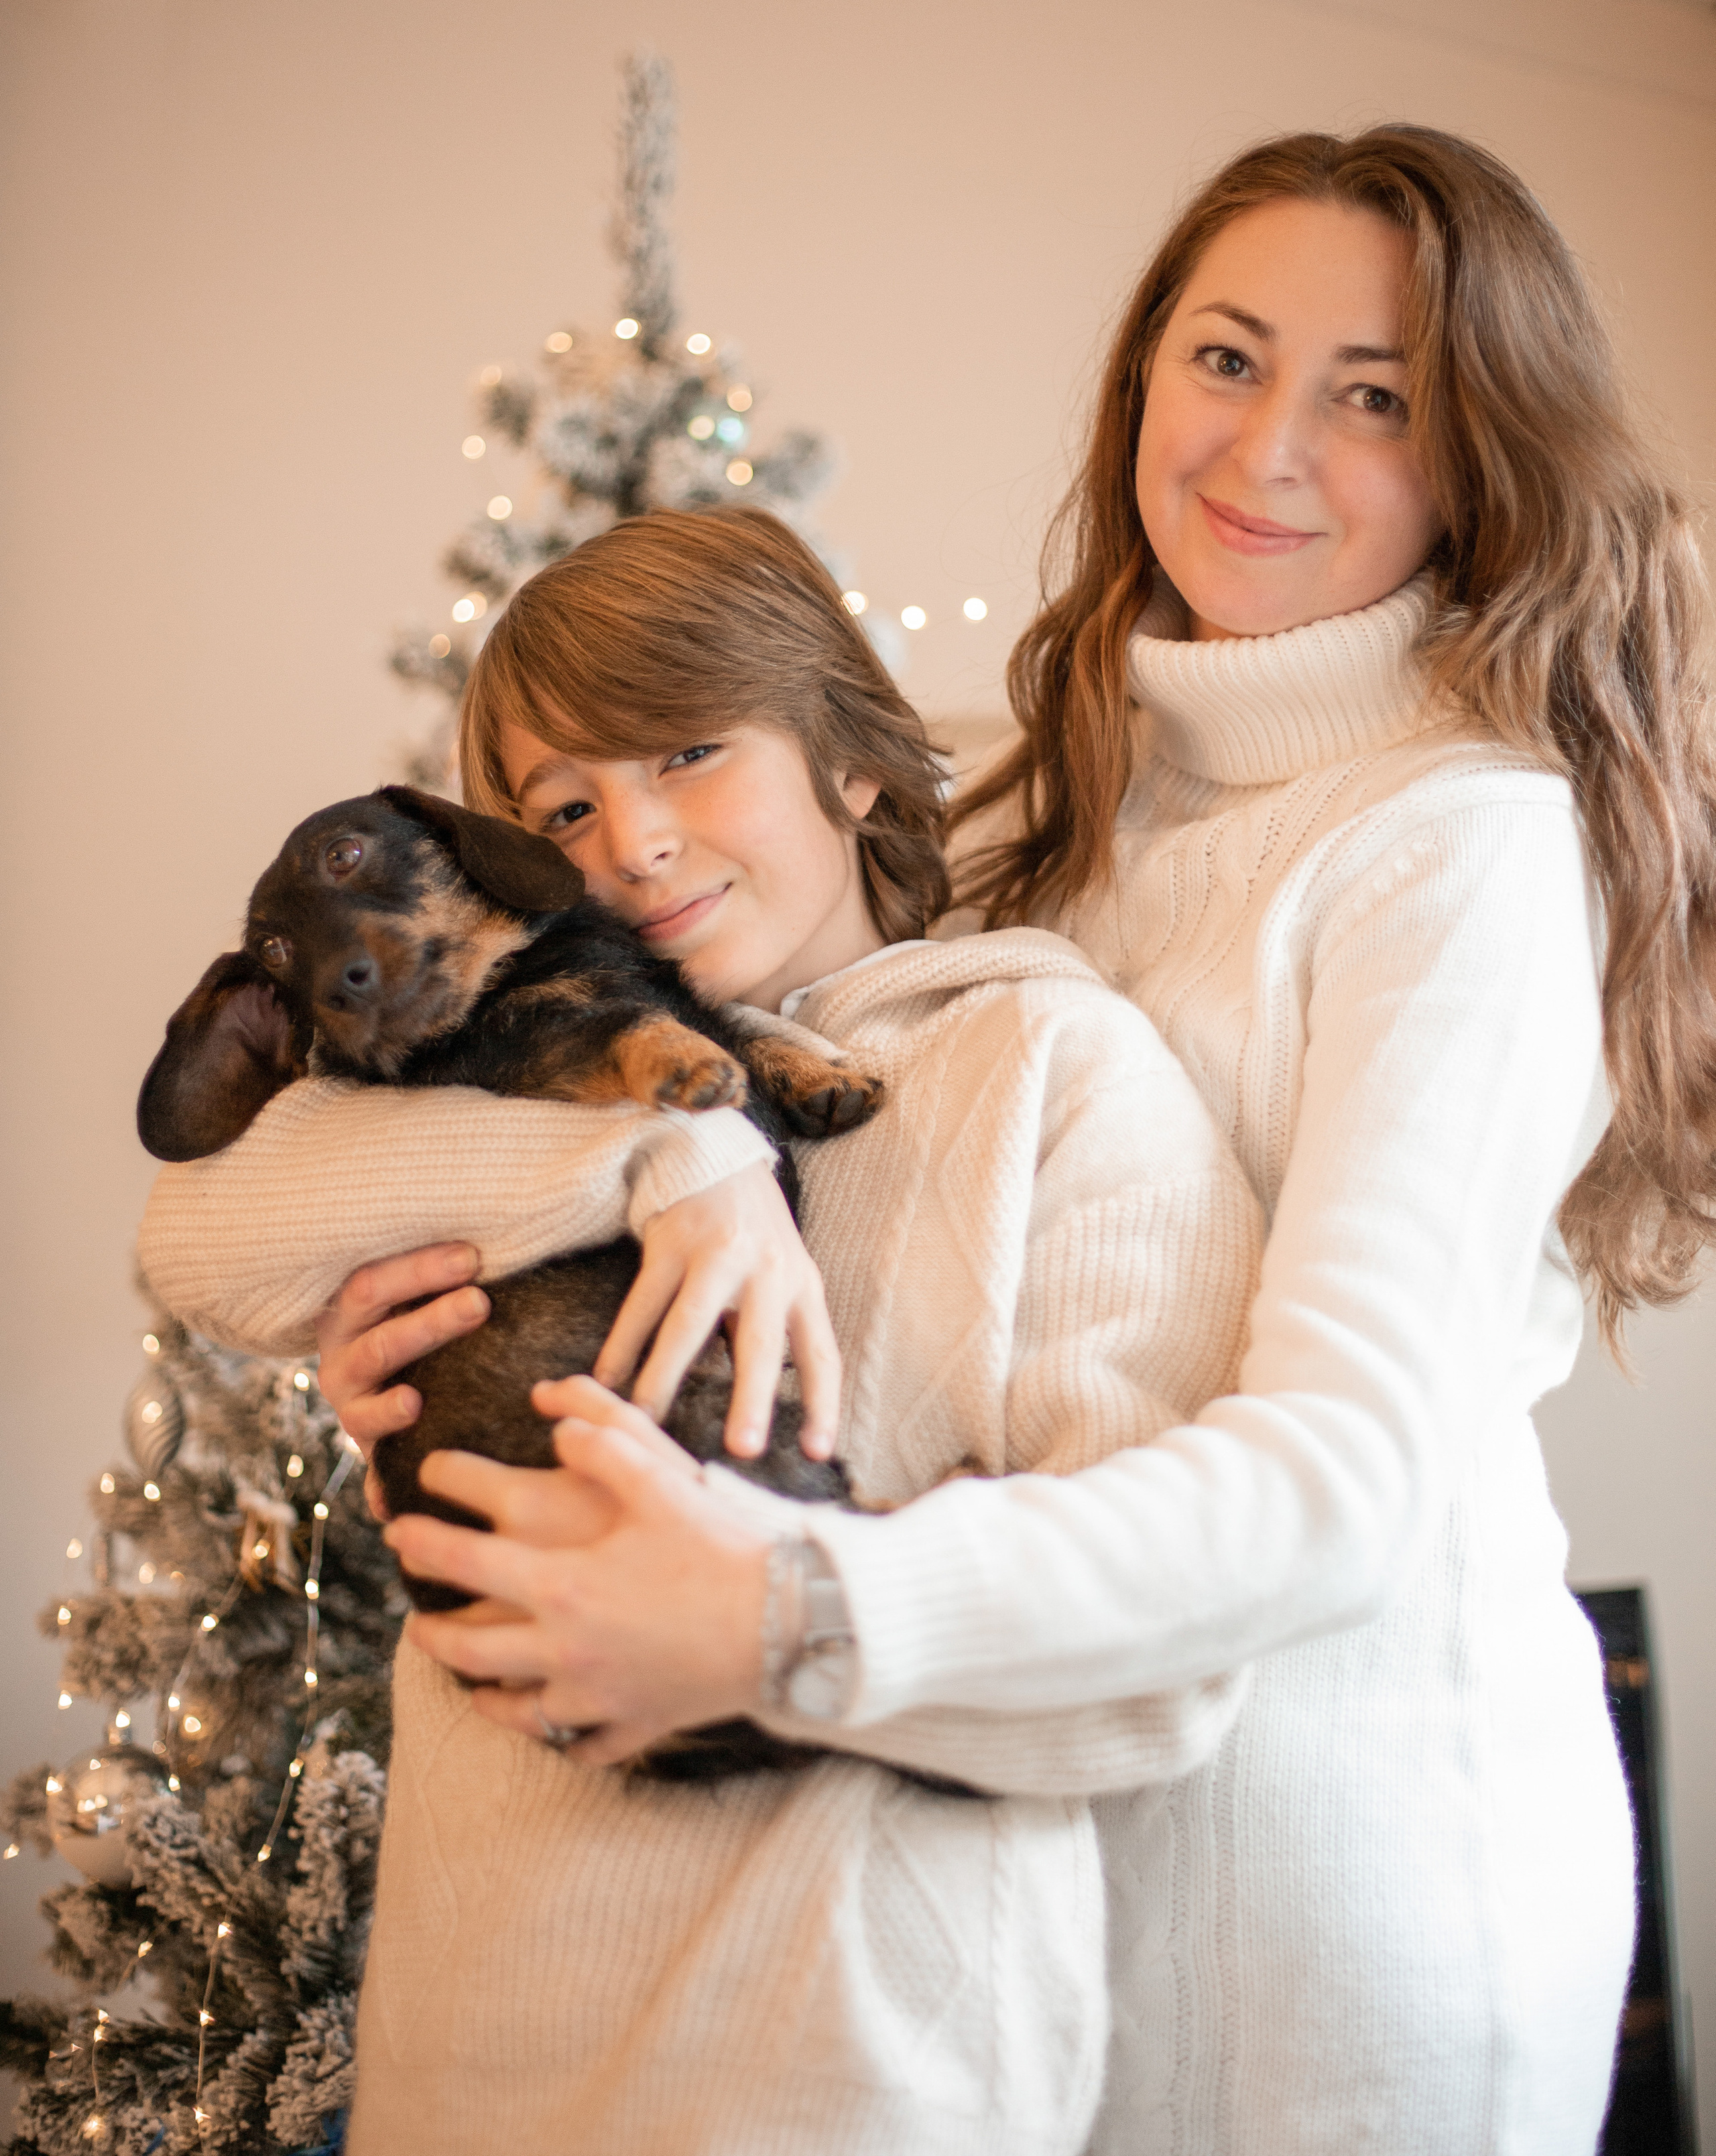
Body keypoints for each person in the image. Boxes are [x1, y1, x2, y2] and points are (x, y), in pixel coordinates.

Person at [139, 505, 1263, 2154]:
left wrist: (765, 1627)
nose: (634, 845)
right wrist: (692, 1152)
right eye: (564, 806)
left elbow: (1158, 1678)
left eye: (689, 750)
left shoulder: (1053, 1074)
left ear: (850, 761)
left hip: (845, 2070)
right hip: (478, 2047)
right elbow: (196, 1229)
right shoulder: (495, 1069)